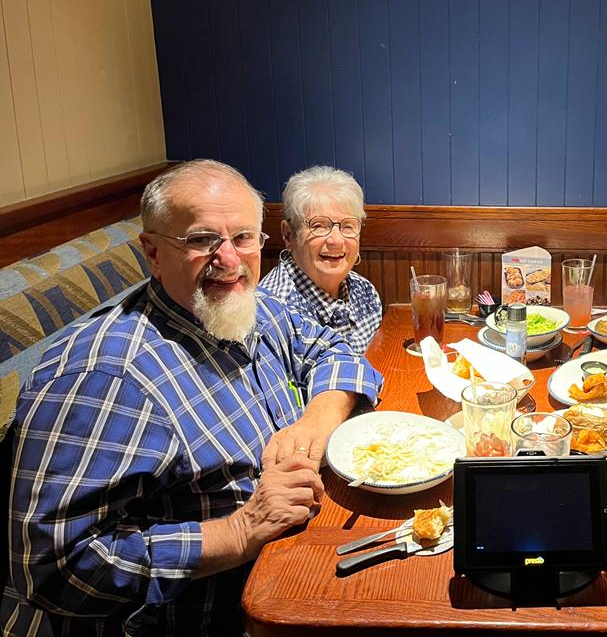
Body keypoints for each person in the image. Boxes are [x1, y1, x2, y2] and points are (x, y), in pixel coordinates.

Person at [2, 160, 384, 635]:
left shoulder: (253, 307)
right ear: (153, 252)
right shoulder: (105, 375)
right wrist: (239, 531)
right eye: (202, 240)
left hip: (287, 566)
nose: (229, 259)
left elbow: (333, 348)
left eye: (243, 238)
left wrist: (316, 422)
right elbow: (49, 566)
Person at [260, 165, 382, 355]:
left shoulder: (365, 292)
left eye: (348, 226)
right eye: (318, 226)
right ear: (288, 235)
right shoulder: (274, 314)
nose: (336, 240)